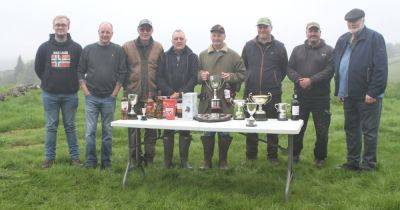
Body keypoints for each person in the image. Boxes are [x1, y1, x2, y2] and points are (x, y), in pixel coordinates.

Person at [333, 9, 388, 171]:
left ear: (363, 20)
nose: (353, 23)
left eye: (356, 20)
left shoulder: (375, 38)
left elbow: (381, 69)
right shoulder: (343, 39)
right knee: (351, 129)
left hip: (368, 95)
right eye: (350, 21)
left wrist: (373, 92)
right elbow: (338, 64)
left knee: (369, 131)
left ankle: (368, 165)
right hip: (348, 95)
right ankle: (352, 163)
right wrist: (340, 90)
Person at [34, 15, 82, 168]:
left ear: (68, 27)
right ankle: (49, 159)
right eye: (58, 25)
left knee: (70, 126)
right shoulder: (44, 47)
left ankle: (75, 158)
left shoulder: (76, 48)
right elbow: (38, 68)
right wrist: (48, 80)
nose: (60, 27)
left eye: (63, 25)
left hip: (70, 95)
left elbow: (81, 69)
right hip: (50, 94)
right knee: (51, 126)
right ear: (53, 26)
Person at [78, 22, 127, 169]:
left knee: (107, 132)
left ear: (112, 33)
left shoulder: (118, 50)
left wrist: (114, 94)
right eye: (102, 32)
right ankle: (90, 162)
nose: (105, 35)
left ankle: (106, 162)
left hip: (109, 98)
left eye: (108, 32)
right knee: (90, 131)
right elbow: (80, 71)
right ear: (98, 32)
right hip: (91, 97)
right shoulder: (88, 49)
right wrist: (85, 91)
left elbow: (122, 72)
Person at [241, 17, 288, 165]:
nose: (262, 30)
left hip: (272, 92)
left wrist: (274, 80)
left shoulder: (280, 47)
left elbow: (284, 68)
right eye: (260, 27)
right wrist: (250, 77)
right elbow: (244, 65)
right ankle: (251, 155)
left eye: (265, 27)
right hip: (251, 91)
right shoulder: (248, 45)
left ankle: (272, 156)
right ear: (257, 29)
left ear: (271, 28)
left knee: (272, 124)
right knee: (251, 123)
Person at [198, 24, 245, 169]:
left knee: (224, 131)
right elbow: (195, 74)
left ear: (224, 36)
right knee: (208, 131)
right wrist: (201, 75)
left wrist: (230, 76)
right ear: (211, 36)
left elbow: (243, 74)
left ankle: (223, 161)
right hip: (207, 99)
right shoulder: (203, 55)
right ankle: (207, 161)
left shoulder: (233, 55)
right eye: (214, 35)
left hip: (225, 100)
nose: (216, 38)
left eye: (219, 35)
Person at [287, 22, 334, 167]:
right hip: (300, 96)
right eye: (310, 31)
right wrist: (298, 79)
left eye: (316, 31)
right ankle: (294, 154)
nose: (313, 33)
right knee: (298, 127)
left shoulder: (329, 50)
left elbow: (330, 70)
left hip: (321, 97)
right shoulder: (297, 50)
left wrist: (311, 80)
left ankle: (320, 157)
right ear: (306, 32)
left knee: (322, 129)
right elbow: (289, 68)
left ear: (320, 32)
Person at [122, 19, 164, 164]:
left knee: (150, 128)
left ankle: (149, 158)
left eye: (148, 29)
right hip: (132, 95)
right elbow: (123, 70)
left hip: (151, 95)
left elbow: (161, 71)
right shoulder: (127, 46)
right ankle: (135, 157)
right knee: (133, 128)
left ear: (152, 30)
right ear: (138, 30)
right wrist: (126, 88)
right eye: (142, 29)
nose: (145, 31)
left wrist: (158, 92)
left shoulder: (158, 47)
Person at [157, 30, 198, 168]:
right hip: (168, 98)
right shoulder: (164, 56)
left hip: (186, 99)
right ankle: (167, 161)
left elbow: (194, 78)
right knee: (168, 129)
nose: (179, 41)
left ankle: (184, 161)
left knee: (185, 130)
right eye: (176, 38)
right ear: (172, 40)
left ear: (185, 40)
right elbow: (159, 77)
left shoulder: (193, 57)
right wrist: (170, 92)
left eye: (181, 38)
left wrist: (180, 93)